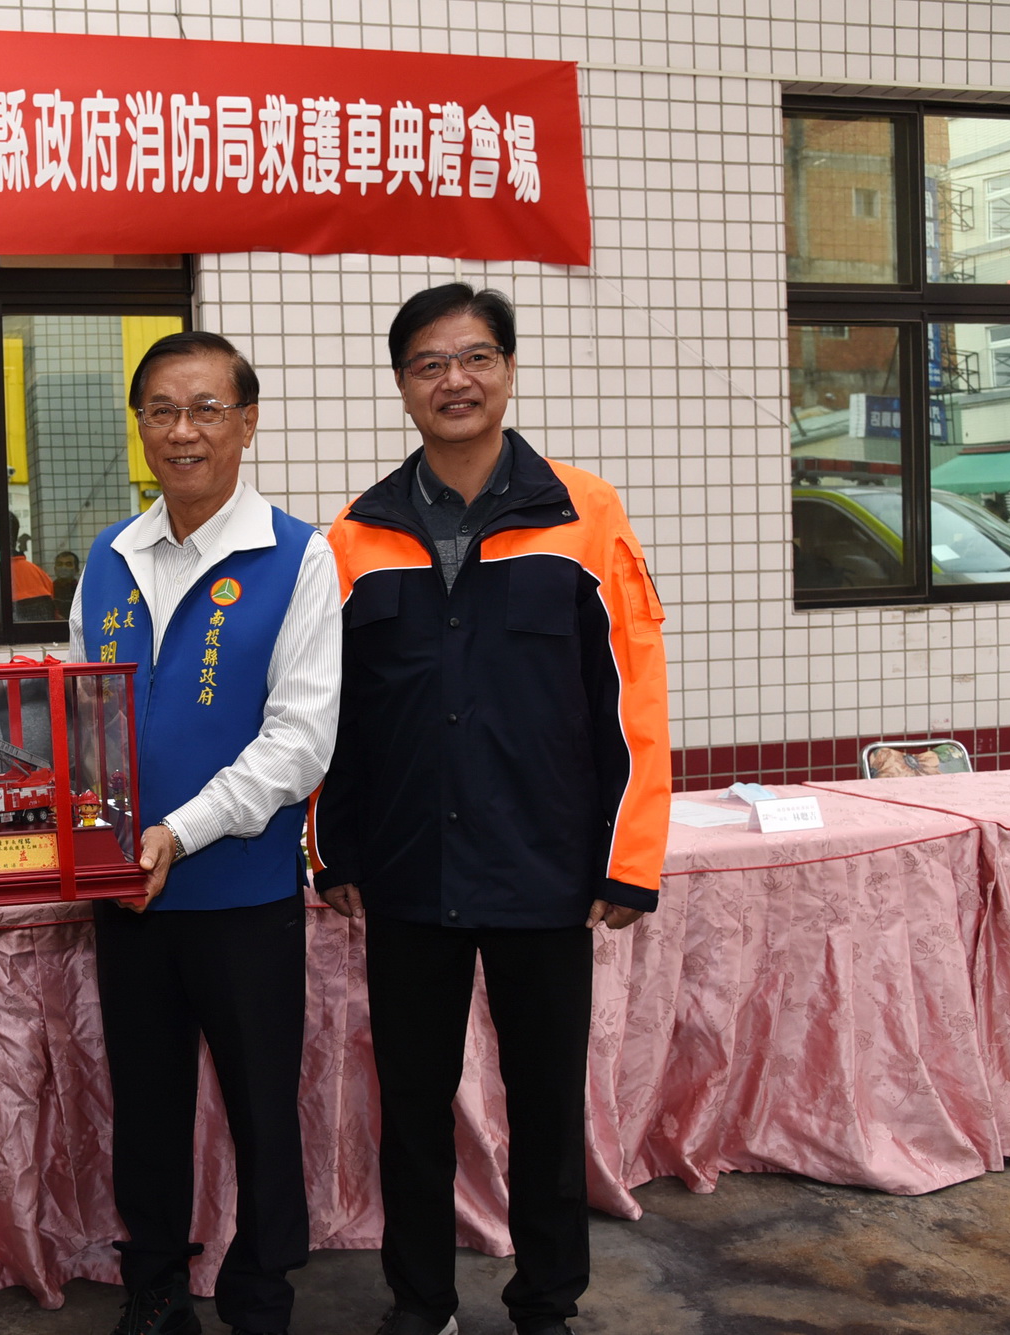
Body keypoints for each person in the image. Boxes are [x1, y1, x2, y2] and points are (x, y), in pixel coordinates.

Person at [313, 285, 670, 1335]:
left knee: (546, 1106)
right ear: (401, 386)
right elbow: (328, 711)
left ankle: (545, 1302)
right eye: (428, 363)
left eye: (473, 357)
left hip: (544, 865)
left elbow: (633, 696)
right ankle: (417, 1304)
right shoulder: (355, 536)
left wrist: (627, 857)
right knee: (412, 1111)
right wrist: (328, 847)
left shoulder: (585, 515)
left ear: (507, 369)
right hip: (407, 871)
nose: (453, 380)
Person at [71, 330, 341, 1335]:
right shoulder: (107, 557)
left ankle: (261, 1290)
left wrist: (177, 833)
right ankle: (153, 1290)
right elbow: (82, 720)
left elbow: (299, 743)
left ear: (247, 421)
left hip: (239, 896)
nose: (180, 432)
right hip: (126, 896)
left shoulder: (295, 556)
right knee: (145, 1107)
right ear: (139, 425)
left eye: (205, 409)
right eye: (159, 412)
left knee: (262, 1106)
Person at [52, 549, 81, 619]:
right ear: (55, 569)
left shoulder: (81, 591)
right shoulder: (48, 590)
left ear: (76, 569)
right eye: (60, 564)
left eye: (68, 564)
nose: (63, 568)